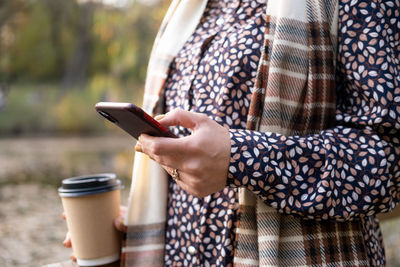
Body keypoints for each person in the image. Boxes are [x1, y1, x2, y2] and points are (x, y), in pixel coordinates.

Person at [64, 0, 400, 266]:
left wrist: (241, 158)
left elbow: (389, 162)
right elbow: (190, 163)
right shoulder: (191, 8)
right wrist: (138, 229)